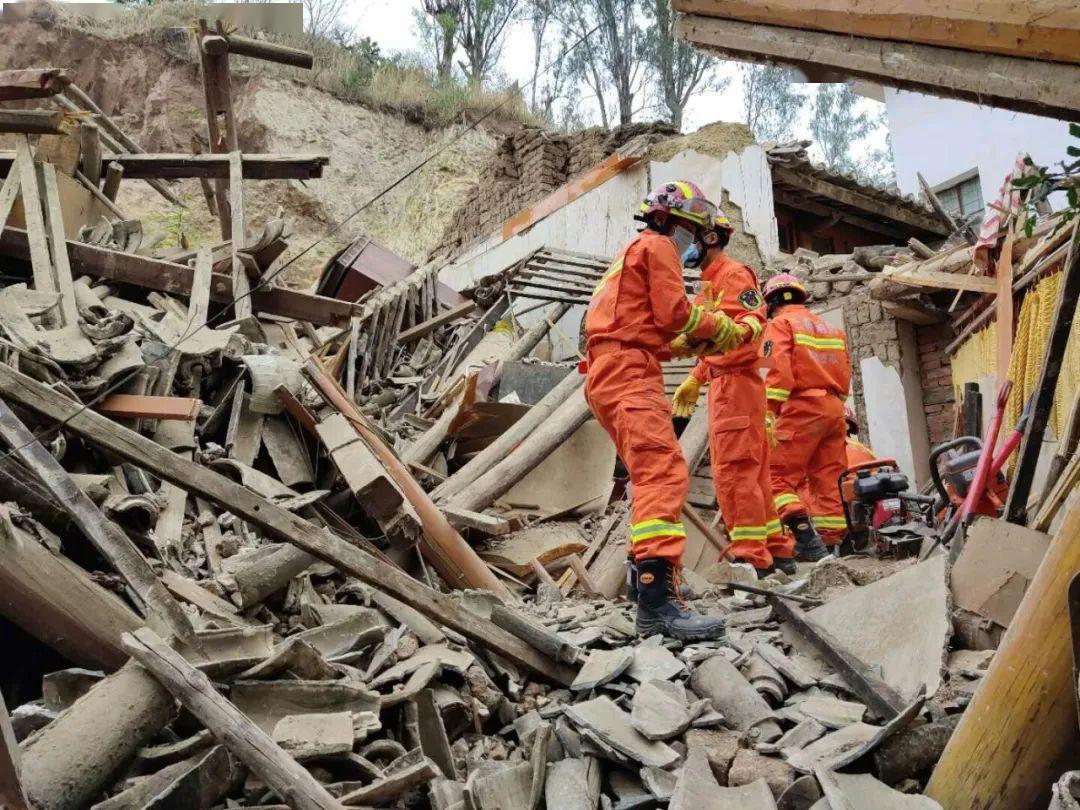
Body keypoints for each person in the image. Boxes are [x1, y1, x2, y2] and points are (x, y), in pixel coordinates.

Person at [585, 180, 735, 641]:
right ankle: (657, 602)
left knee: (647, 475)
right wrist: (718, 327)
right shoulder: (660, 248)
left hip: (611, 366)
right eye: (691, 231)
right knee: (663, 473)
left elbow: (649, 326)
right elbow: (675, 314)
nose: (693, 243)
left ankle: (641, 581)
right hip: (629, 370)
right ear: (671, 221)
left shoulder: (629, 254)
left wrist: (688, 341)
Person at [670, 211, 796, 578]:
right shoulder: (711, 283)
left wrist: (696, 354)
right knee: (754, 476)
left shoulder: (733, 275)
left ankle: (749, 557)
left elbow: (741, 337)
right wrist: (697, 375)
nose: (684, 246)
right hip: (732, 383)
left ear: (710, 239)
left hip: (736, 385)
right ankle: (776, 552)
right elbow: (718, 338)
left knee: (735, 472)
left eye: (691, 237)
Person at [762, 273, 852, 559]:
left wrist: (768, 411)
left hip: (800, 408)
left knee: (775, 477)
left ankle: (804, 538)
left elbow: (776, 370)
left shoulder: (779, 324)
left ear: (772, 301)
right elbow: (845, 371)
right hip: (834, 408)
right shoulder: (831, 329)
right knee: (829, 479)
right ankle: (833, 543)